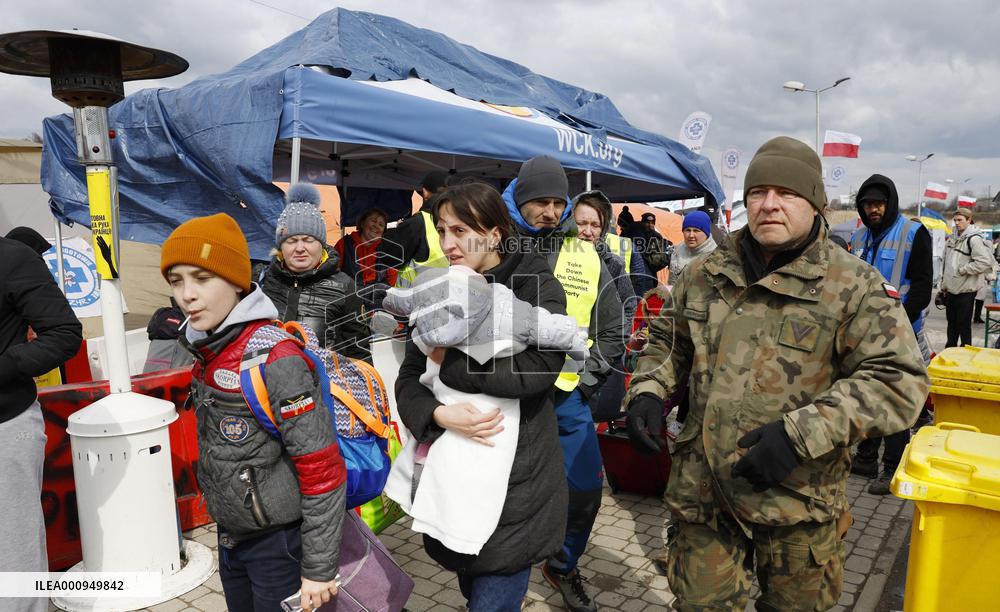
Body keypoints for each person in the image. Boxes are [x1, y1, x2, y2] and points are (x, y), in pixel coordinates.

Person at [624, 136, 929, 611]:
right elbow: (668, 343)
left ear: (815, 204)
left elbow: (899, 380)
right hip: (706, 497)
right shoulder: (704, 275)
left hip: (797, 506)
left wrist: (799, 435)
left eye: (786, 193)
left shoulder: (853, 285)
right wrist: (647, 389)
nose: (769, 204)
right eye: (757, 193)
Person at [392, 182, 569, 610]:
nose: (448, 243)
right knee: (472, 583)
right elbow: (408, 376)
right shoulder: (436, 282)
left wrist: (449, 361)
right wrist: (437, 415)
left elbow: (540, 370)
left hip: (517, 483)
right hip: (453, 476)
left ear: (493, 233)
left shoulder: (532, 282)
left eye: (460, 230)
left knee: (492, 595)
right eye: (442, 231)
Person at [162, 213, 346, 612]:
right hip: (232, 536)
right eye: (177, 281)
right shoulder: (207, 346)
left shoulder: (275, 358)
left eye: (202, 278)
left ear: (236, 281)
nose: (187, 295)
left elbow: (322, 469)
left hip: (281, 547)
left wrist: (318, 568)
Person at [502, 156, 625, 612]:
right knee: (506, 499)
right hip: (505, 395)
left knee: (586, 491)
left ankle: (563, 564)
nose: (550, 211)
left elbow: (611, 328)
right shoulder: (491, 242)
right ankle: (497, 581)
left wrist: (586, 383)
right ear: (520, 199)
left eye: (558, 202)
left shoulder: (584, 253)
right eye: (540, 201)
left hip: (565, 396)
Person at [0, 234, 82, 612]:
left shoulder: (12, 257)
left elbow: (65, 333)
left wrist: (5, 367)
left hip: (5, 425)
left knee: (15, 558)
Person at [849, 174, 934, 494]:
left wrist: (896, 323)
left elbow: (923, 286)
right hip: (863, 334)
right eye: (868, 204)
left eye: (879, 204)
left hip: (901, 334)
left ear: (890, 204)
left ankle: (892, 468)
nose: (873, 210)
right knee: (867, 395)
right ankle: (867, 458)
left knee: (894, 399)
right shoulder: (858, 238)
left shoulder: (914, 233)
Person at [260, 183, 371, 361]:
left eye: (308, 239)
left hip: (326, 384)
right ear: (280, 246)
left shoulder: (345, 288)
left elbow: (359, 353)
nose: (300, 248)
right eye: (291, 240)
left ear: (322, 244)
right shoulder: (265, 281)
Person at [573, 190, 640, 422]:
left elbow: (629, 305)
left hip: (599, 360)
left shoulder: (613, 264)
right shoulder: (558, 257)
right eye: (581, 223)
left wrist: (613, 344)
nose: (588, 231)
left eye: (595, 225)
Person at [380, 170, 451, 287]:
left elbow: (389, 257)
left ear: (425, 192)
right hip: (449, 296)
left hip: (414, 298)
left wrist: (394, 232)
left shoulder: (419, 222)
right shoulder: (462, 222)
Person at [941, 208, 994, 347]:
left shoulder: (974, 239)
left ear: (969, 220)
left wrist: (964, 270)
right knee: (951, 326)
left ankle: (965, 356)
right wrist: (943, 287)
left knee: (964, 327)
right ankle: (950, 354)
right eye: (955, 220)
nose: (957, 223)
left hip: (966, 292)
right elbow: (947, 264)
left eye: (960, 220)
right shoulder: (953, 238)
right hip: (951, 290)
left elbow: (984, 262)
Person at [333, 207, 398, 302]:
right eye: (373, 220)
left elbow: (391, 280)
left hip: (377, 303)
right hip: (348, 300)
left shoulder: (388, 250)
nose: (376, 226)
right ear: (362, 223)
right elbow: (333, 273)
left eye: (381, 224)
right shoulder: (344, 244)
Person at [669, 210, 718, 280]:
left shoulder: (715, 256)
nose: (691, 235)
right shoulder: (677, 250)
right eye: (688, 230)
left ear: (706, 233)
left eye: (696, 231)